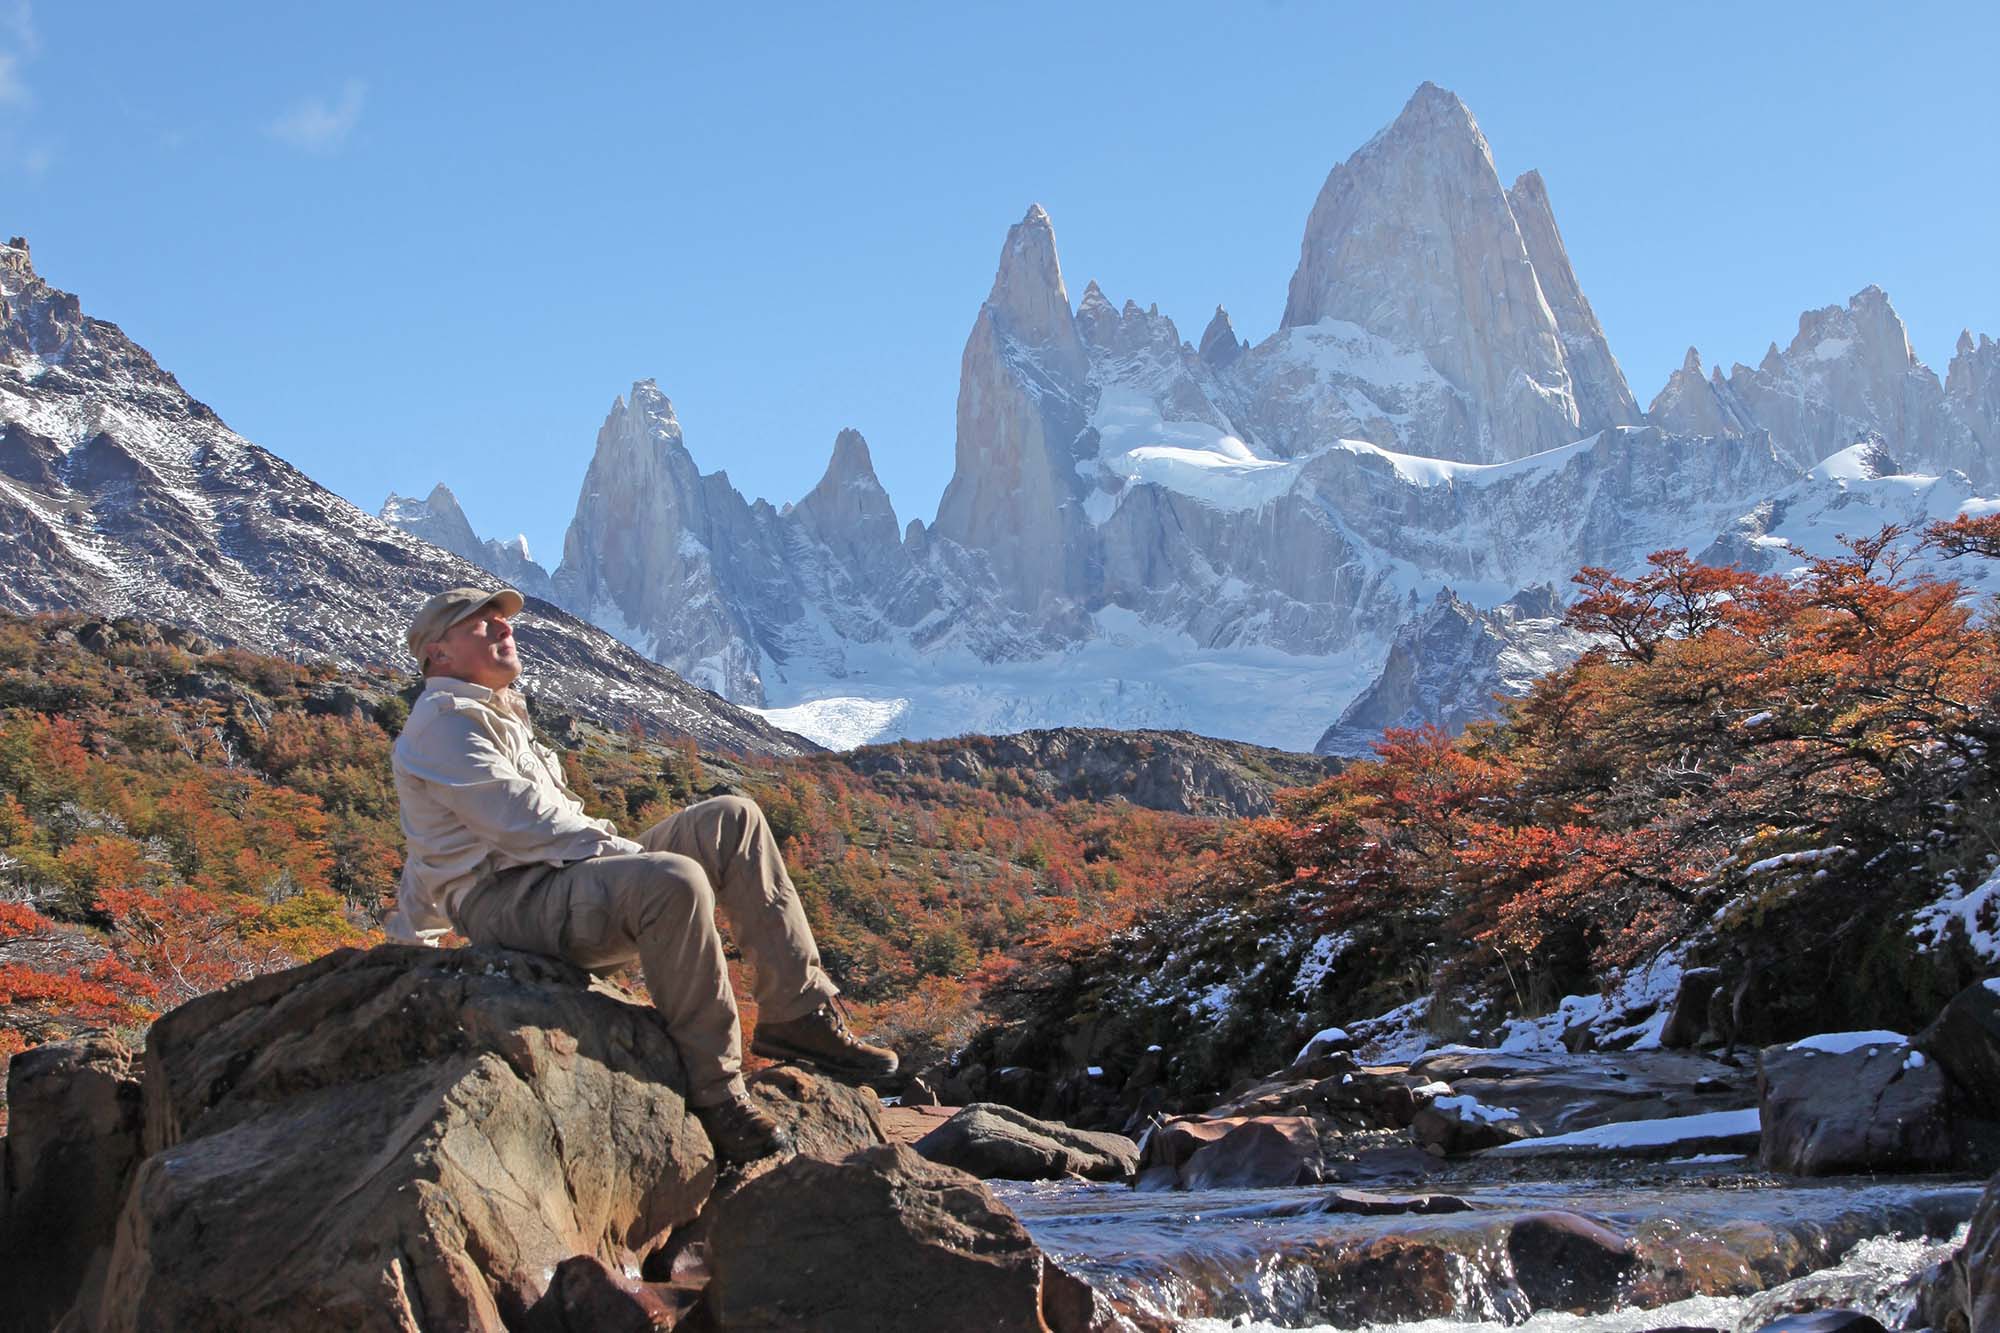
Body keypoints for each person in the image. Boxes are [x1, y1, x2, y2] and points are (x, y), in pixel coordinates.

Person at [384, 586, 896, 1162]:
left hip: (559, 882)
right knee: (670, 879)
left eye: (503, 622)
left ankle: (797, 1013)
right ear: (438, 653)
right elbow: (521, 824)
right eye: (482, 625)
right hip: (511, 902)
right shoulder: (443, 724)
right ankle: (716, 1092)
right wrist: (628, 854)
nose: (505, 630)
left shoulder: (488, 712)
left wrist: (406, 937)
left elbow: (430, 849)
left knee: (732, 819)